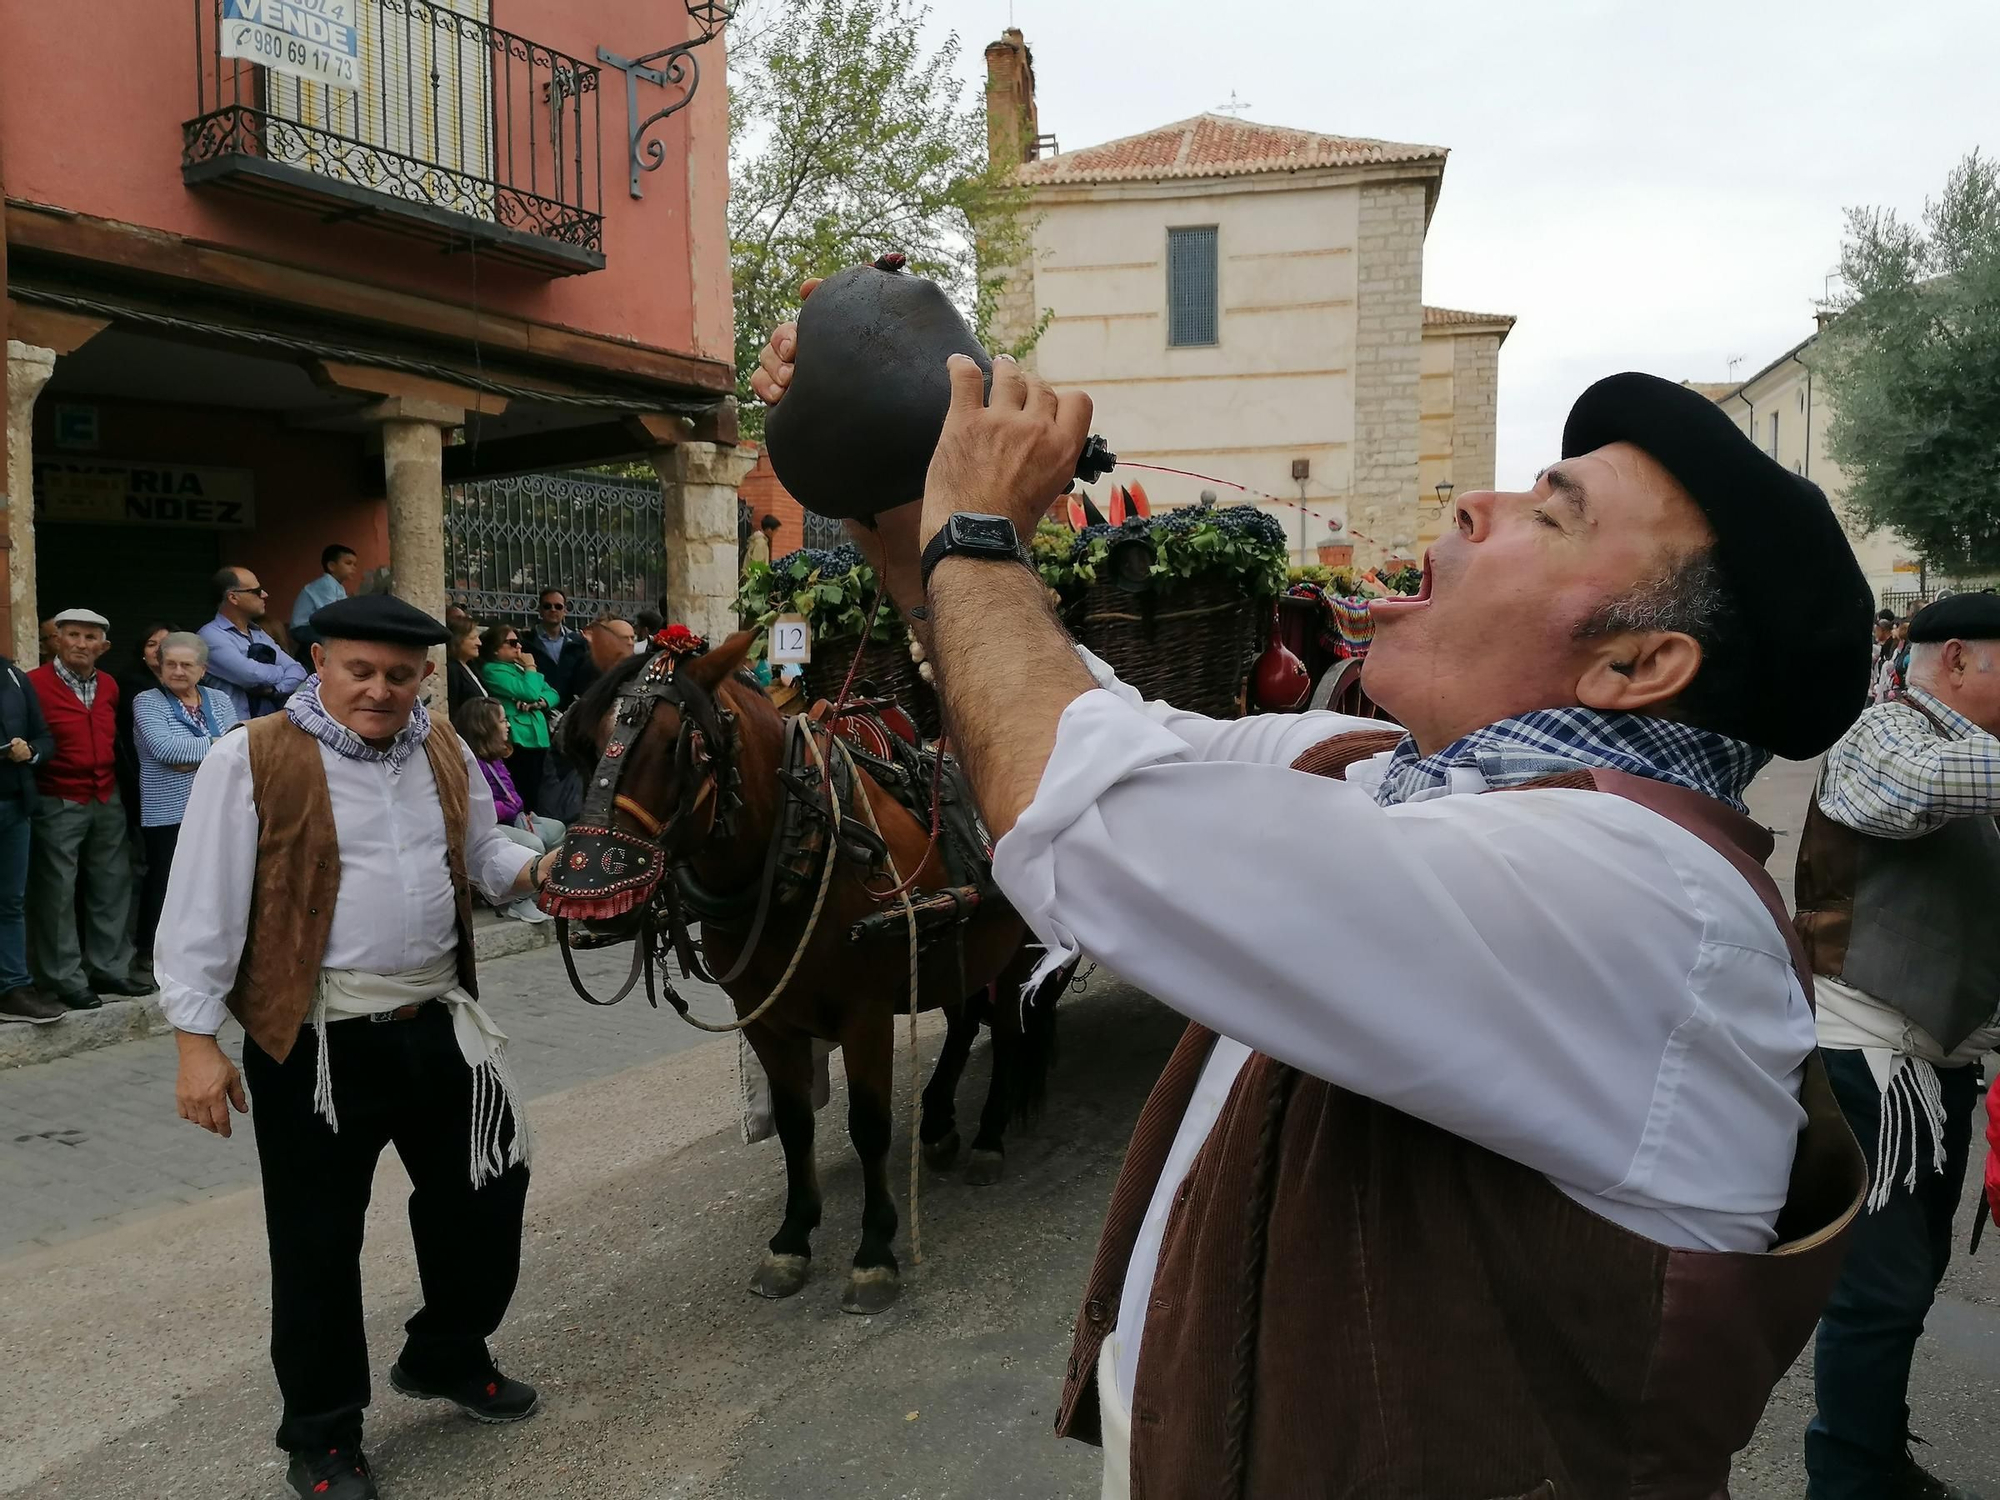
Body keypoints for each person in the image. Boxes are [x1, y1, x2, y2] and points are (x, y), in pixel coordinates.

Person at [753, 308, 1873, 1495]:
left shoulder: (1640, 900)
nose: (1470, 506)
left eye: (1548, 515)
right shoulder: (1386, 774)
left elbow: (1082, 811)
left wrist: (975, 531)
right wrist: (902, 488)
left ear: (1638, 667)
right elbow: (1110, 733)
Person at [159, 593, 561, 1500]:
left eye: (400, 674)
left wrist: (536, 872)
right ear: (319, 662)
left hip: (439, 1021)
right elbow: (200, 904)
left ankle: (447, 1354)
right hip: (313, 1047)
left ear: (425, 677)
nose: (380, 690)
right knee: (315, 1244)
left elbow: (481, 856)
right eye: (361, 671)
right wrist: (197, 1042)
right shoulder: (250, 756)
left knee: (489, 1196)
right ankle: (323, 1432)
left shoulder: (443, 748)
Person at [1794, 592, 2000, 1500]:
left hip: (1933, 1067)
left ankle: (1874, 1456)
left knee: (1907, 1288)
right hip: (1866, 1058)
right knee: (1875, 1298)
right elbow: (1921, 792)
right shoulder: (1883, 735)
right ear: (1955, 659)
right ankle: (1848, 1476)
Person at [26, 608, 146, 1010]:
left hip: (105, 793)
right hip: (57, 796)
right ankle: (63, 977)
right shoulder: (33, 684)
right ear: (56, 640)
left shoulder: (110, 685)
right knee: (57, 890)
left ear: (104, 646)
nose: (81, 643)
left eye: (90, 637)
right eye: (73, 635)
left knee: (112, 884)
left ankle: (109, 969)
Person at [131, 633, 238, 985]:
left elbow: (239, 747)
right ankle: (150, 954)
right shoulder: (148, 701)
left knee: (212, 883)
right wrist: (214, 746)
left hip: (218, 805)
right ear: (159, 667)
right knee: (166, 882)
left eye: (186, 664)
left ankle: (201, 956)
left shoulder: (219, 699)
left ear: (203, 669)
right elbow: (167, 751)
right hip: (169, 810)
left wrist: (196, 753)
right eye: (170, 664)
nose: (177, 671)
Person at [450, 699, 562, 924]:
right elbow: (476, 808)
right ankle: (520, 902)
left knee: (557, 829)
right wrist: (507, 809)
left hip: (513, 818)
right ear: (484, 727)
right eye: (502, 720)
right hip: (493, 823)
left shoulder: (496, 758)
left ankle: (550, 890)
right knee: (533, 844)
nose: (508, 725)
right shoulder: (470, 764)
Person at [0, 648, 60, 1025]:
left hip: (14, 806)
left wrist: (32, 751)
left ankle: (13, 989)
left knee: (10, 902)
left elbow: (44, 736)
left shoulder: (13, 676)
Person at [200, 566, 306, 721]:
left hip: (269, 725)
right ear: (233, 597)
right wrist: (279, 671)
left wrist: (274, 690)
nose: (264, 595)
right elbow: (249, 675)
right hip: (234, 730)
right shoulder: (210, 636)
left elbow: (298, 670)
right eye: (256, 591)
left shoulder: (258, 633)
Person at [476, 624, 558, 812]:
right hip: (518, 737)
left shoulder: (520, 669)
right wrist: (530, 666)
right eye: (512, 643)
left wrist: (540, 703)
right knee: (523, 788)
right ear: (496, 649)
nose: (518, 647)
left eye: (518, 642)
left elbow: (553, 693)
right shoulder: (494, 670)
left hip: (539, 736)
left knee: (538, 791)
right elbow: (529, 692)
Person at [113, 623, 172, 835]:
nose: (158, 649)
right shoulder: (132, 684)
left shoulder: (202, 688)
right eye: (151, 644)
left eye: (165, 643)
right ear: (142, 652)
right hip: (144, 776)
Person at [525, 588, 593, 706]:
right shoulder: (526, 642)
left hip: (571, 710)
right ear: (539, 610)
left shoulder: (578, 642)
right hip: (538, 707)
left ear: (565, 611)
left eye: (558, 606)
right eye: (547, 606)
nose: (553, 610)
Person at [289, 544, 361, 655]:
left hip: (315, 626)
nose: (353, 568)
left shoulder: (338, 586)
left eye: (355, 564)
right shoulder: (326, 584)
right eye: (348, 563)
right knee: (334, 641)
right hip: (303, 628)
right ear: (331, 566)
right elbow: (330, 613)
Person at [445, 620, 487, 715]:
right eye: (473, 638)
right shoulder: (452, 669)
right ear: (458, 640)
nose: (479, 643)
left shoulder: (472, 666)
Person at [1870, 609, 1899, 704]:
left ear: (1882, 630)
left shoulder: (1891, 645)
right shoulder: (1885, 645)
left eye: (1876, 631)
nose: (1875, 634)